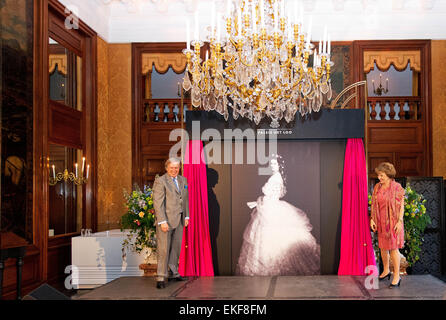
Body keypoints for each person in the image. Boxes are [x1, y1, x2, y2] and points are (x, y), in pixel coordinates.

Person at [236, 156, 320, 276]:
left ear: (280, 165)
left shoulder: (275, 178)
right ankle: (268, 268)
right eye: (271, 164)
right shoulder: (276, 177)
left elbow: (271, 196)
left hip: (271, 208)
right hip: (270, 206)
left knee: (271, 237)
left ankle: (270, 268)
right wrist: (258, 202)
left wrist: (258, 202)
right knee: (266, 236)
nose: (272, 166)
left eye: (274, 164)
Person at [152, 157, 189, 289]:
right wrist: (162, 221)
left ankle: (173, 272)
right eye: (172, 168)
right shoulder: (160, 181)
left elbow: (185, 200)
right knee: (164, 249)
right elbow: (158, 203)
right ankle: (161, 276)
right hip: (166, 221)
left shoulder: (183, 180)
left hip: (179, 220)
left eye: (177, 167)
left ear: (179, 168)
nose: (174, 170)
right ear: (166, 168)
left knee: (175, 248)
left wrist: (186, 216)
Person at [370, 162, 405, 288]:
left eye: (382, 175)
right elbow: (374, 205)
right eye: (379, 175)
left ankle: (397, 276)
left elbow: (401, 206)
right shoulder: (377, 187)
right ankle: (386, 271)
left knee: (394, 248)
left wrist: (399, 222)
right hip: (381, 220)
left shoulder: (397, 187)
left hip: (394, 222)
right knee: (383, 247)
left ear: (389, 175)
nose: (379, 177)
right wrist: (373, 219)